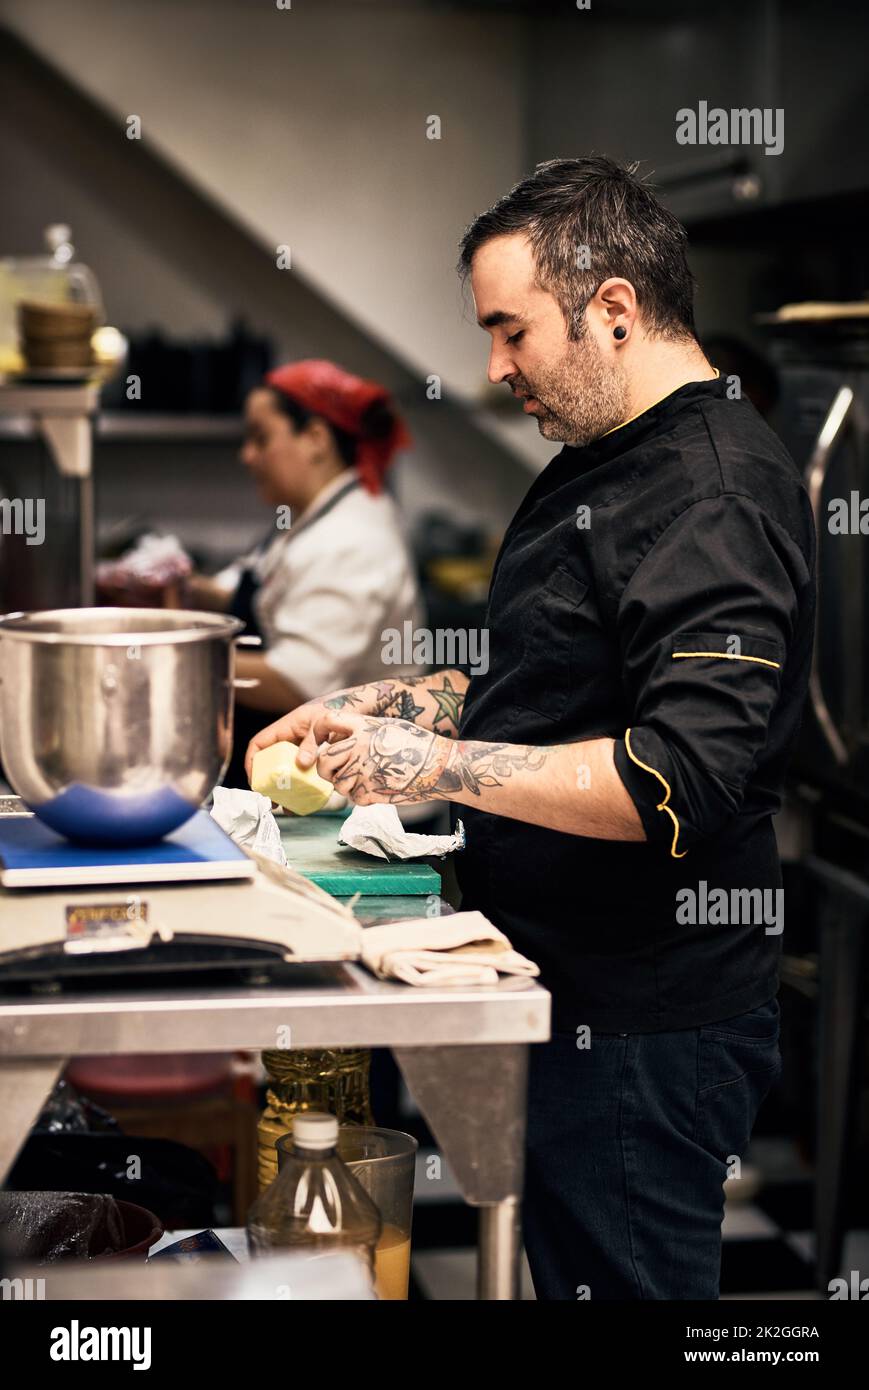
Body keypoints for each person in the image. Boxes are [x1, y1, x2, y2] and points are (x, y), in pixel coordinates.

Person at [245, 157, 816, 1300]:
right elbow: (554, 690)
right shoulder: (610, 454)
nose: (492, 367)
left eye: (510, 332)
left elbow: (676, 775)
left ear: (612, 310)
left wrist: (437, 763)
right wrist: (379, 704)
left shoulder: (710, 493)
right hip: (560, 980)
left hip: (645, 1024)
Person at [186, 359, 424, 787]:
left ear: (315, 438)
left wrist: (180, 663)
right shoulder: (306, 520)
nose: (248, 455)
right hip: (309, 781)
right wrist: (180, 587)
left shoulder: (353, 536)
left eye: (261, 438)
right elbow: (252, 589)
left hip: (360, 804)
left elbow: (296, 680)